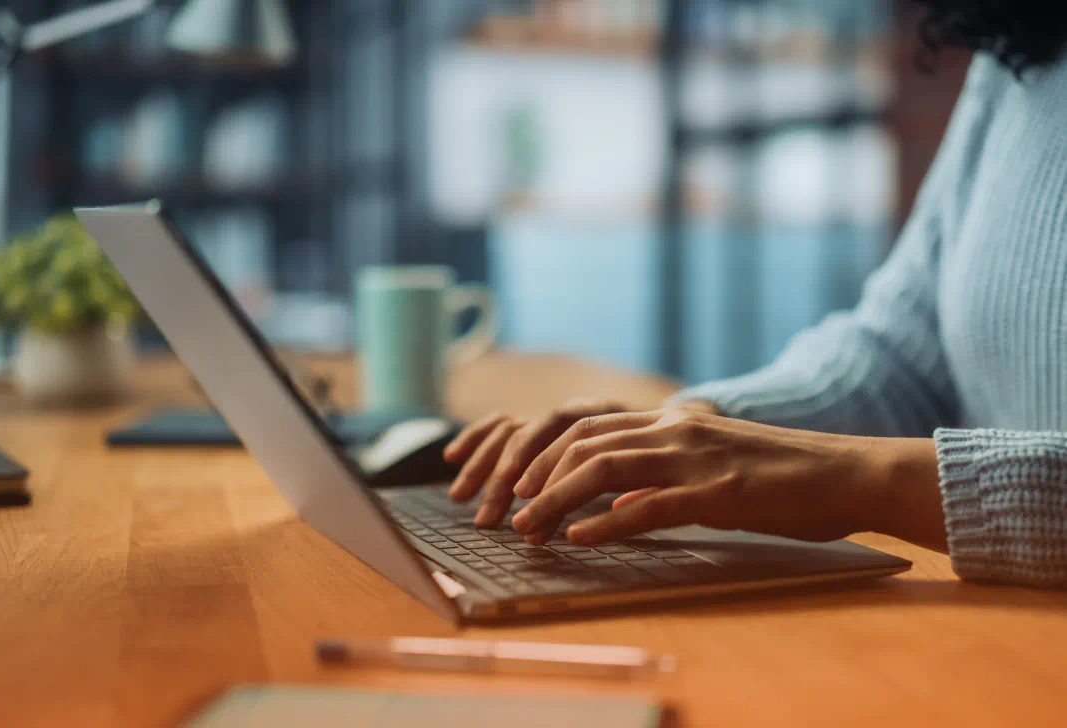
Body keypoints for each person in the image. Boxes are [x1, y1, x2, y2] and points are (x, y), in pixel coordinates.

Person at [443, 1, 1067, 588]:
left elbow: (874, 449)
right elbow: (902, 351)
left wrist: (863, 480)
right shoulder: (1019, 47)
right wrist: (694, 427)